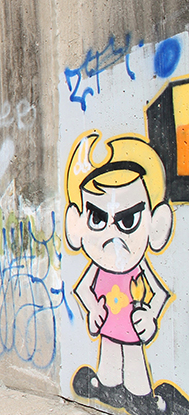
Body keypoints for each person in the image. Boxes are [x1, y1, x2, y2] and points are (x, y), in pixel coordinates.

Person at [64, 130, 177, 414]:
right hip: (108, 324)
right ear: (76, 224)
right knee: (110, 359)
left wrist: (150, 315)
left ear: (156, 224)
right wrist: (92, 309)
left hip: (131, 325)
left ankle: (142, 398)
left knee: (135, 361)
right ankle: (108, 387)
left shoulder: (137, 266)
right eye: (97, 218)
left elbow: (160, 293)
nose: (111, 234)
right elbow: (81, 289)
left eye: (127, 220)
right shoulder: (98, 266)